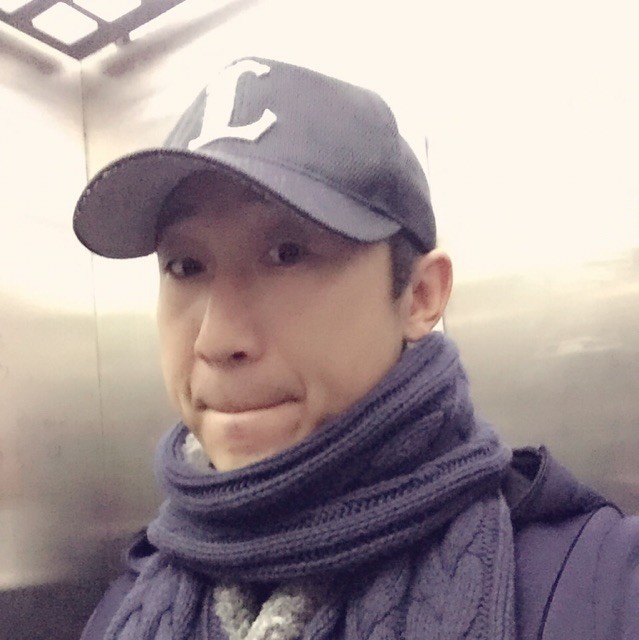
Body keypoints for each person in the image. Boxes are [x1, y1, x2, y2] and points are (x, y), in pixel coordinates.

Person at [73, 57, 638, 640]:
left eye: (287, 254)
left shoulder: (593, 588)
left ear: (419, 295)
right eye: (185, 265)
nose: (216, 341)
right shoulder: (127, 603)